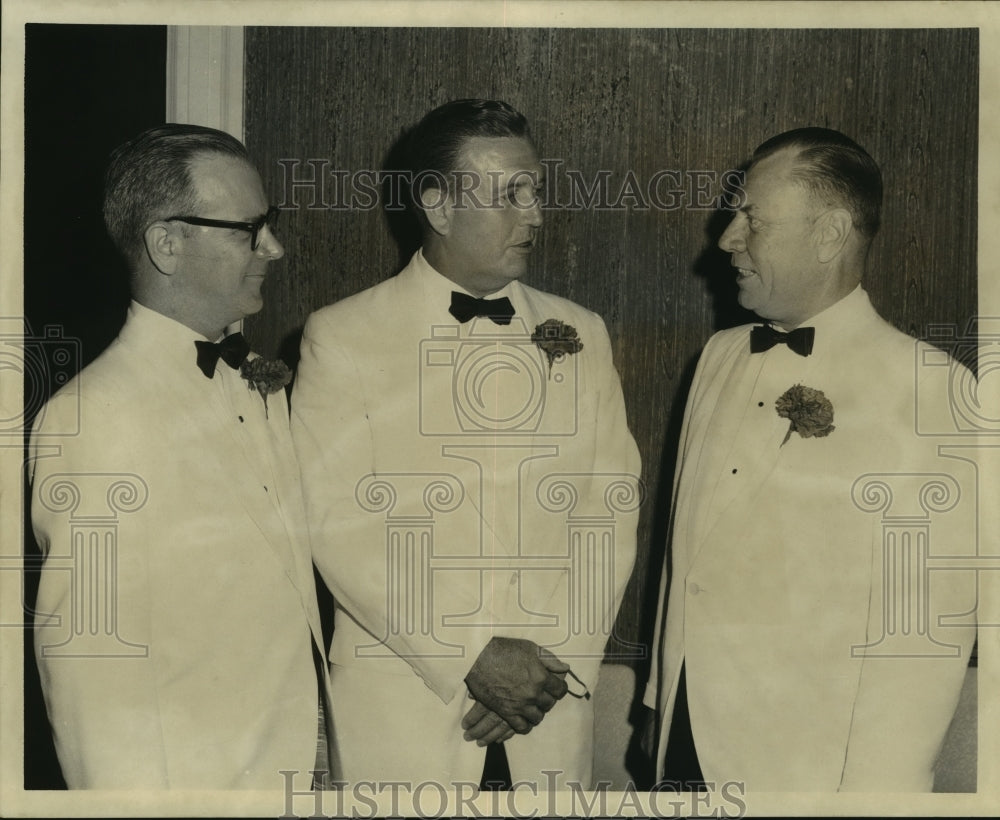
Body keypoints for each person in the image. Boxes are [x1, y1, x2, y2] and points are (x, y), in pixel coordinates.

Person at [291, 98, 641, 790]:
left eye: (535, 190)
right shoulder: (343, 336)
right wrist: (471, 655)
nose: (536, 215)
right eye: (510, 194)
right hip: (411, 708)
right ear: (439, 205)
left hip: (546, 710)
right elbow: (338, 523)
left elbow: (611, 510)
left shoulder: (582, 331)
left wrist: (553, 664)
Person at [643, 127, 978, 792]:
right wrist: (660, 704)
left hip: (808, 775)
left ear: (829, 235)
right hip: (683, 752)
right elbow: (688, 563)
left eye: (752, 221)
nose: (727, 239)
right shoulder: (718, 358)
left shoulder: (931, 389)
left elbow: (923, 641)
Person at [29, 124, 334, 789]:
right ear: (167, 244)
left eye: (270, 224)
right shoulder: (93, 418)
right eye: (247, 230)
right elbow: (89, 673)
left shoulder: (256, 378)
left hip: (294, 773)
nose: (273, 248)